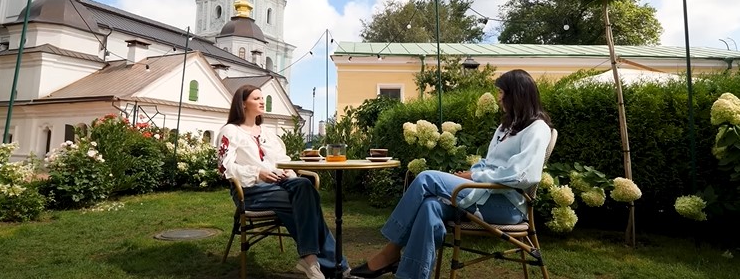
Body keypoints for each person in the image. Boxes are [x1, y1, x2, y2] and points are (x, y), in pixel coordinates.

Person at [352, 69, 552, 279]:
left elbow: (523, 175)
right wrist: (472, 172)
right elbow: (490, 163)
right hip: (482, 195)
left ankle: (390, 251)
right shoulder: (506, 128)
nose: (499, 97)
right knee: (430, 207)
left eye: (502, 92)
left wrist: (472, 178)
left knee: (426, 178)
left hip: (506, 206)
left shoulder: (537, 129)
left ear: (516, 95)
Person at [217, 84, 348, 279]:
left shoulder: (267, 132)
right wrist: (257, 173)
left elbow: (281, 158)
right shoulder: (230, 131)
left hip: (280, 184)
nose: (262, 101)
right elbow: (224, 168)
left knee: (304, 186)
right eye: (256, 98)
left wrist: (287, 169)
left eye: (262, 98)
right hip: (251, 191)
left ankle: (312, 261)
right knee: (307, 203)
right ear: (243, 104)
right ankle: (333, 265)